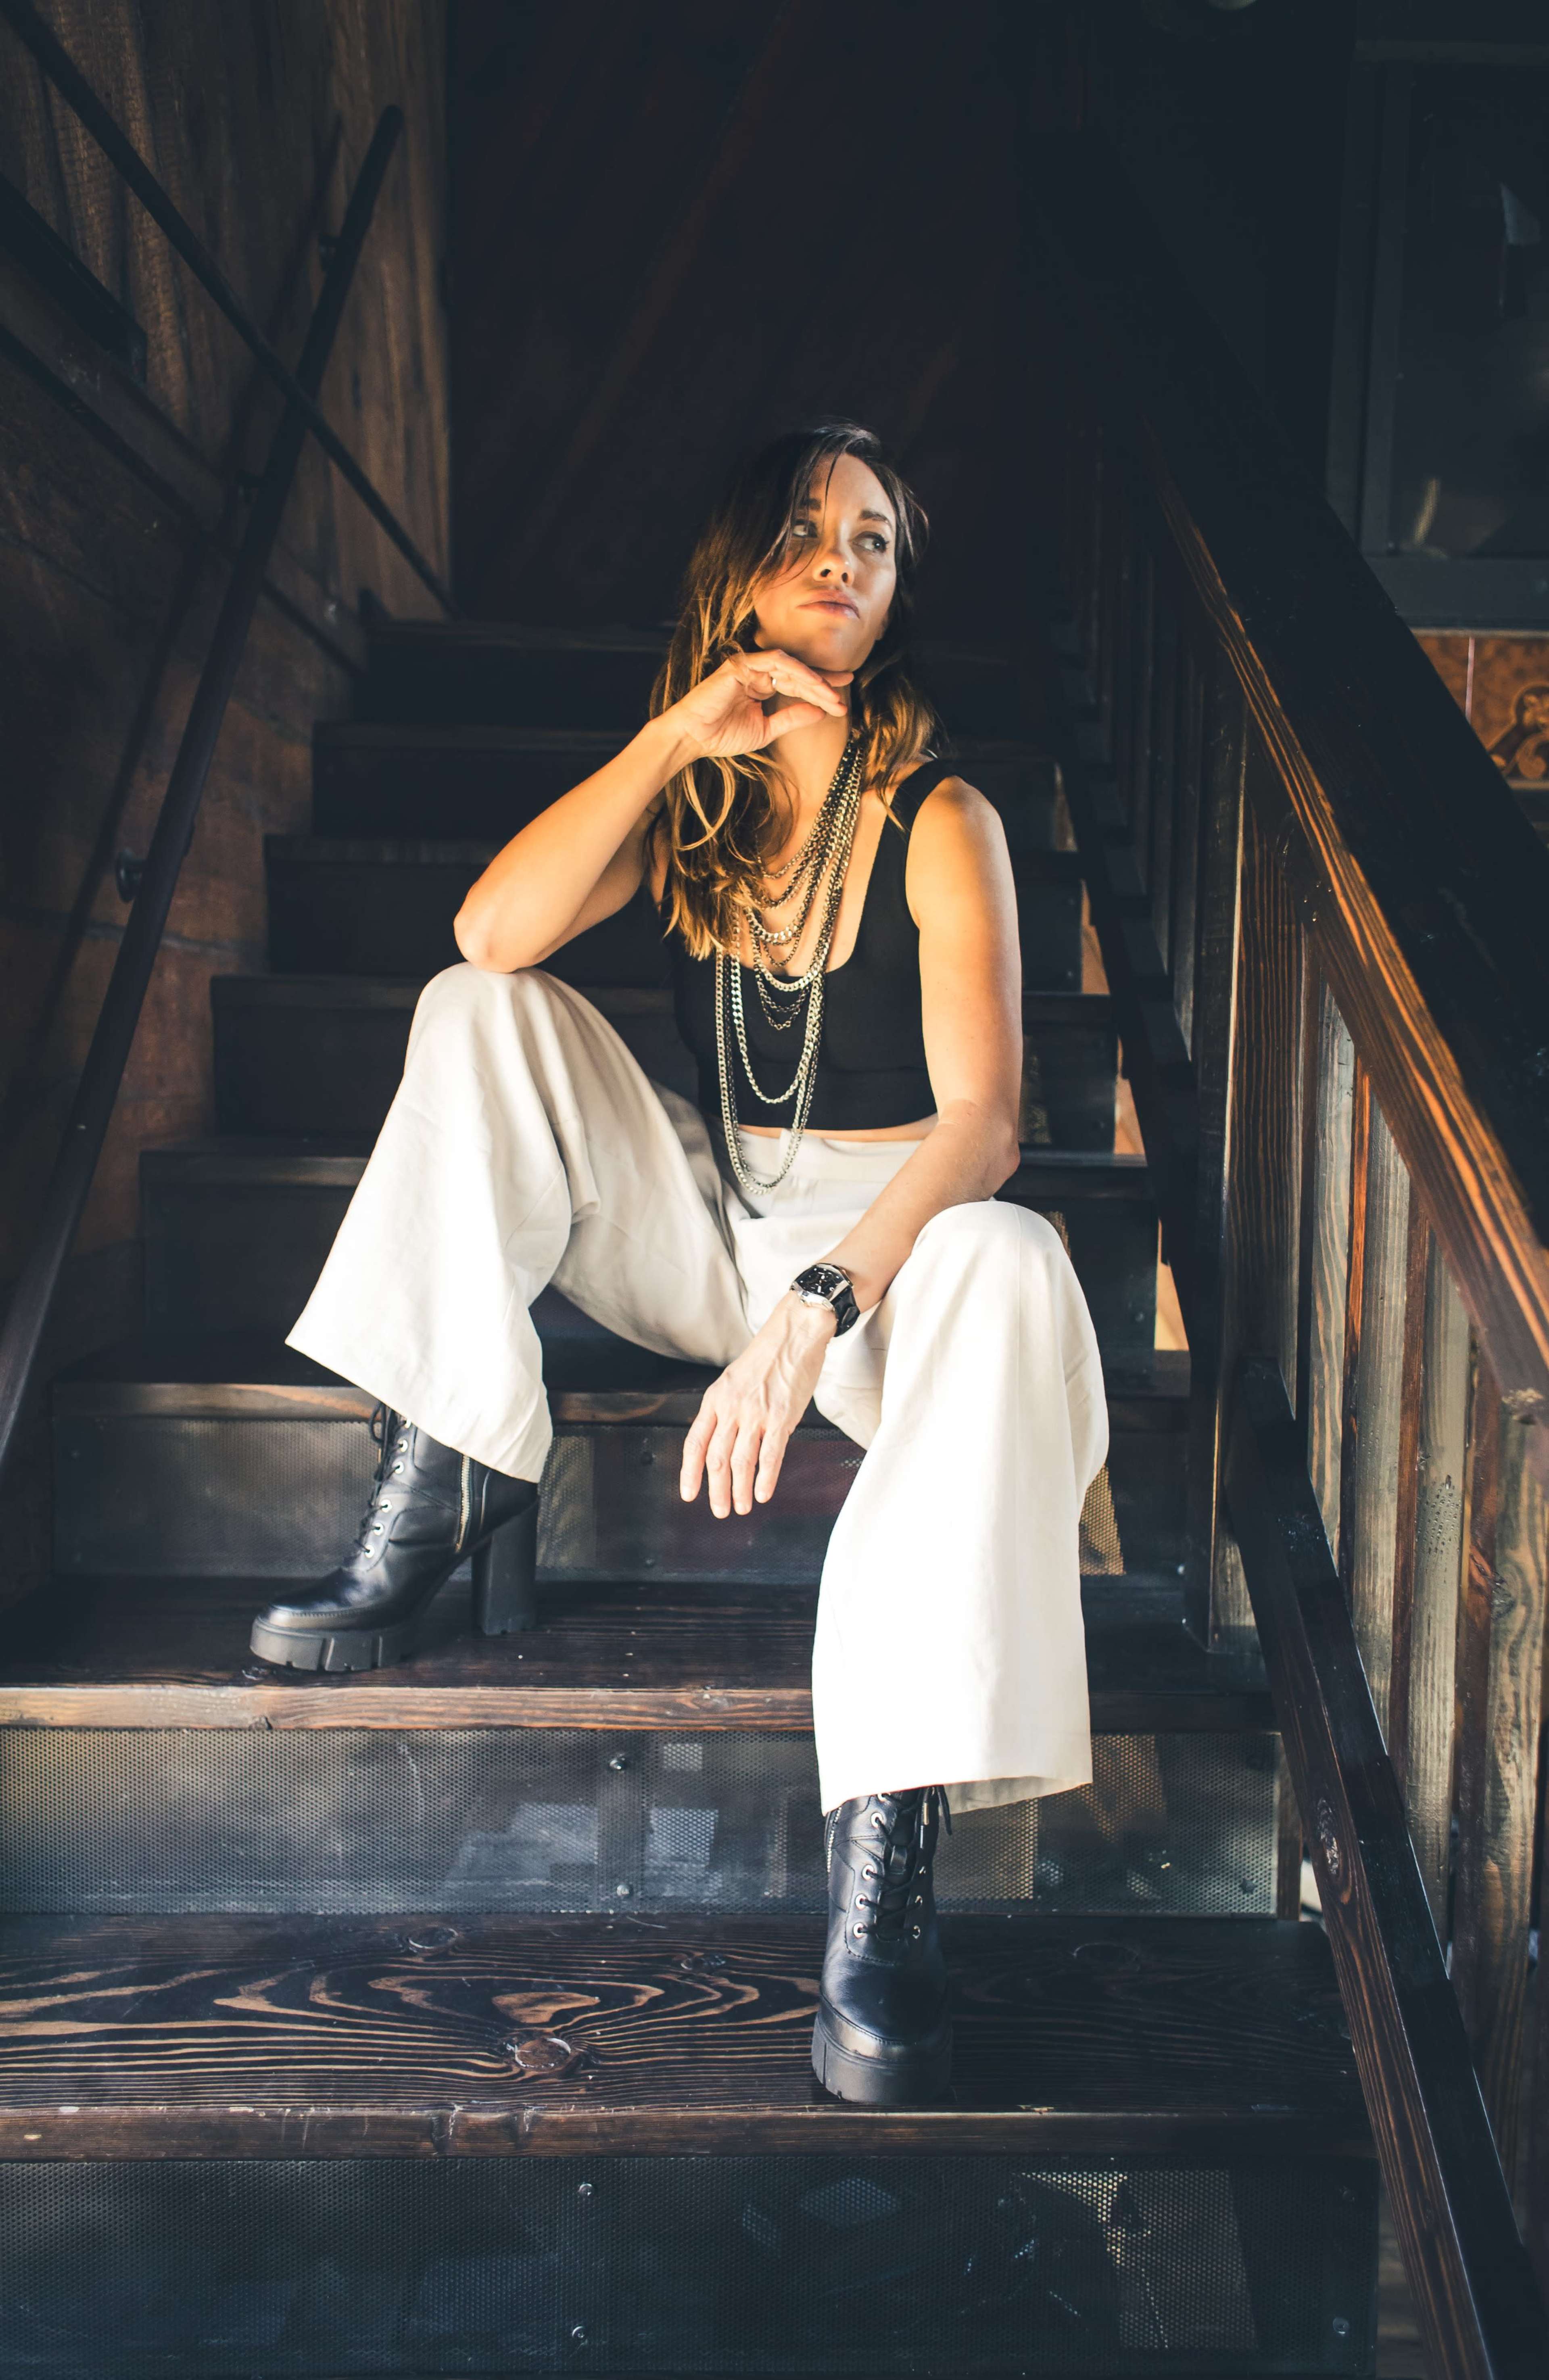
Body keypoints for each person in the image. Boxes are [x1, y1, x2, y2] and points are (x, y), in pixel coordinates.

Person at [248, 422, 1109, 2106]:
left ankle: (887, 1857)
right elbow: (491, 930)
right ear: (739, 573)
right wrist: (672, 737)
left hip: (894, 1251)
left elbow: (988, 1122)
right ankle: (446, 1475)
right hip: (715, 1218)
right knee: (477, 1011)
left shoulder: (944, 817)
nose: (844, 558)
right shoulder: (698, 810)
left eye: (874, 538)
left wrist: (820, 1305)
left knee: (1015, 1258)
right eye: (807, 530)